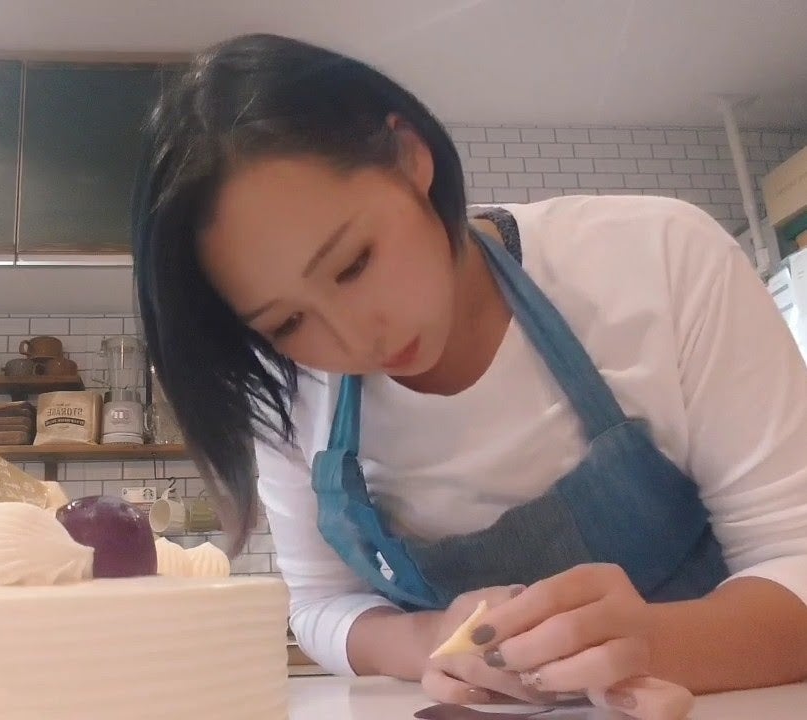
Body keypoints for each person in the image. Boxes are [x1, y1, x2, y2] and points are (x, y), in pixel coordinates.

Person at [132, 33, 807, 720]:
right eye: (287, 323)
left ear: (410, 155)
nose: (356, 338)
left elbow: (795, 559)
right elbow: (320, 605)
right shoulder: (290, 394)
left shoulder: (660, 260)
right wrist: (429, 639)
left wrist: (655, 644)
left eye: (354, 264)